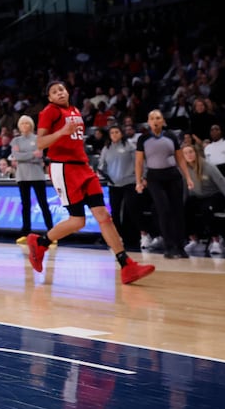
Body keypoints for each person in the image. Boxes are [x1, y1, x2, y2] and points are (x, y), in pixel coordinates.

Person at [26, 81, 154, 284]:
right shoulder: (49, 111)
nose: (60, 93)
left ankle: (126, 265)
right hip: (64, 168)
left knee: (104, 216)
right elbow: (40, 143)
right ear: (49, 98)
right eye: (54, 91)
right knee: (78, 221)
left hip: (83, 167)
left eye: (62, 89)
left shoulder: (75, 110)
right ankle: (40, 242)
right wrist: (61, 132)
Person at [135, 109, 189, 259]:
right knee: (163, 210)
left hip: (173, 176)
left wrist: (188, 178)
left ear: (163, 120)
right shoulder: (143, 139)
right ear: (148, 121)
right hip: (154, 177)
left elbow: (180, 159)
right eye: (152, 118)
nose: (155, 121)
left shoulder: (171, 136)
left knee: (178, 210)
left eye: (158, 118)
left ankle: (180, 246)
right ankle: (169, 246)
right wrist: (138, 181)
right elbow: (139, 162)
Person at [178, 141, 225, 256]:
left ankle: (216, 241)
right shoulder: (183, 169)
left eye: (191, 152)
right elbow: (185, 189)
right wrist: (183, 203)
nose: (189, 155)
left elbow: (223, 185)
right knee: (185, 208)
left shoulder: (208, 167)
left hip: (215, 195)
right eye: (185, 153)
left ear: (196, 153)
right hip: (198, 197)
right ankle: (193, 240)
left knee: (207, 209)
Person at [10, 114, 54, 243]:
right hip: (22, 176)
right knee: (25, 205)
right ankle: (25, 232)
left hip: (37, 175)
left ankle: (51, 231)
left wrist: (24, 156)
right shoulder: (16, 141)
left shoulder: (38, 139)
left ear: (31, 125)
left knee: (43, 203)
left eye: (27, 123)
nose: (25, 126)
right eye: (22, 123)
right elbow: (16, 156)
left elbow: (39, 155)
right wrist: (30, 155)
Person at [97, 124, 140, 252]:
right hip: (113, 184)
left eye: (117, 132)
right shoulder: (106, 148)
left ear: (121, 133)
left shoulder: (130, 146)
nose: (114, 134)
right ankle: (117, 238)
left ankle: (132, 238)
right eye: (112, 133)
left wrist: (140, 177)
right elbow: (101, 165)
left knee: (129, 210)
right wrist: (102, 173)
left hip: (129, 182)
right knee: (115, 212)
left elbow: (138, 162)